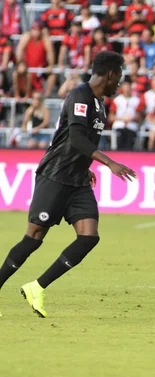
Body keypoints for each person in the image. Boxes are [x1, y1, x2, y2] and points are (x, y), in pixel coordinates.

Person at [0, 51, 137, 318]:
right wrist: (109, 163)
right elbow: (75, 138)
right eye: (118, 77)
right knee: (35, 237)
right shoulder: (79, 96)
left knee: (89, 237)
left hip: (77, 179)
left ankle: (36, 286)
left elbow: (85, 143)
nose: (119, 84)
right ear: (109, 74)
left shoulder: (100, 103)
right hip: (55, 174)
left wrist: (86, 167)